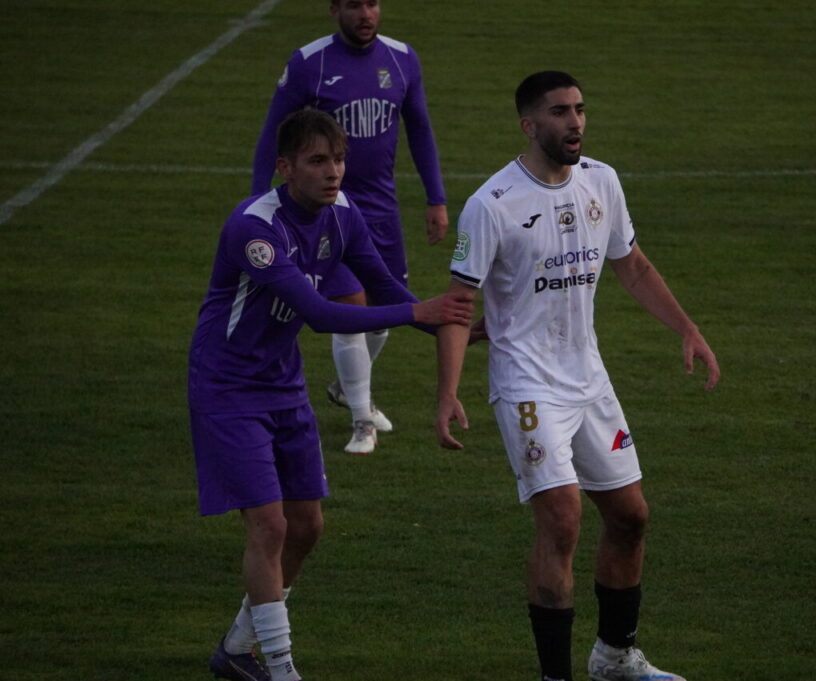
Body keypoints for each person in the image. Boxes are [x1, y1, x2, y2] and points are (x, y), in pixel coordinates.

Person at [435, 71, 721, 681]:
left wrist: (687, 329)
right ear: (528, 125)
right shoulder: (491, 206)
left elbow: (634, 266)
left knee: (631, 516)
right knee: (563, 517)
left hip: (589, 379)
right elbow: (460, 305)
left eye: (580, 109)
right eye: (560, 112)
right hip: (526, 385)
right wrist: (448, 392)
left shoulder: (602, 181)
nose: (576, 122)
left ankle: (615, 658)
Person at [191, 109, 472, 681]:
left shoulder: (343, 214)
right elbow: (321, 314)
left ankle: (238, 647)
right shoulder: (255, 228)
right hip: (228, 388)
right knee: (269, 525)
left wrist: (457, 325)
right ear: (285, 167)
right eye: (319, 161)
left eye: (339, 159)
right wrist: (423, 311)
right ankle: (280, 665)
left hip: (282, 382)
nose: (334, 172)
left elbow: (386, 285)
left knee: (308, 526)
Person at [252, 0, 449, 454]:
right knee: (350, 308)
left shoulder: (402, 59)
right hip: (325, 215)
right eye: (355, 4)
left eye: (373, 3)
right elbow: (272, 133)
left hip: (380, 214)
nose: (366, 14)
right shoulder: (309, 63)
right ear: (334, 8)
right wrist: (257, 197)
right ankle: (363, 421)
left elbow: (420, 128)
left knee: (383, 309)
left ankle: (346, 389)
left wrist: (436, 198)